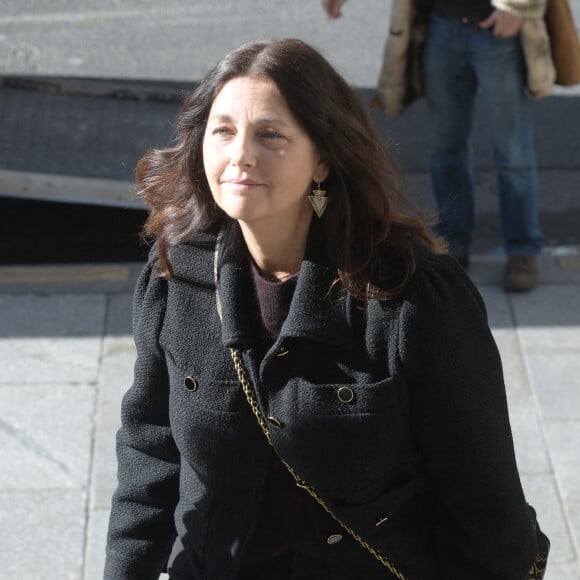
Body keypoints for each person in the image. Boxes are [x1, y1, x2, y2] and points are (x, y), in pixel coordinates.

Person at [104, 38, 549, 579]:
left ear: (321, 161)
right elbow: (149, 455)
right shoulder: (177, 271)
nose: (240, 154)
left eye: (270, 135)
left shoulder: (412, 297)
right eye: (222, 131)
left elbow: (485, 507)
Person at [323, 0, 554, 293]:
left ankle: (522, 249)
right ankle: (452, 243)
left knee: (512, 150)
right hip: (441, 26)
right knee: (447, 149)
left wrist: (517, 8)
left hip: (498, 30)